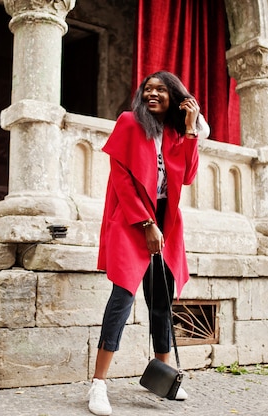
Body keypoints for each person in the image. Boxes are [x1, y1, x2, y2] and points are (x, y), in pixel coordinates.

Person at [88, 71, 210, 416]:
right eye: (148, 89)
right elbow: (121, 179)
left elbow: (186, 176)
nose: (152, 93)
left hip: (165, 219)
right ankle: (98, 384)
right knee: (122, 297)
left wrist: (190, 127)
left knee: (160, 301)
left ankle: (163, 379)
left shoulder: (175, 133)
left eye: (161, 90)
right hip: (132, 218)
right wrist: (146, 224)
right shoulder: (129, 122)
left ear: (175, 97)